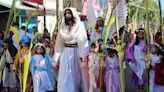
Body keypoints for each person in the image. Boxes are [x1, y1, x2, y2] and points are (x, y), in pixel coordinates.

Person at [53, 7, 89, 92]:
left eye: (69, 13)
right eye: (66, 14)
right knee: (65, 74)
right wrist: (56, 58)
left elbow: (83, 41)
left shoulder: (79, 26)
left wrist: (82, 55)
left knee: (74, 75)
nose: (67, 15)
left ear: (73, 14)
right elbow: (59, 43)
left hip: (76, 52)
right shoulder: (62, 27)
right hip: (65, 53)